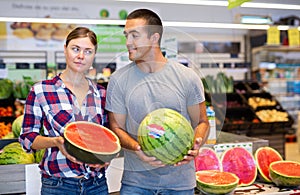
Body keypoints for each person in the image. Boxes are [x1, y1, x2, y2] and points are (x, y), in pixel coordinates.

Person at [105, 8, 209, 195]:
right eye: (126, 35)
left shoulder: (187, 77)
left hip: (180, 184)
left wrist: (196, 144)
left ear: (154, 38)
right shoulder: (118, 80)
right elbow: (116, 128)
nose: (128, 42)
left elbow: (201, 122)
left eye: (134, 36)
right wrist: (137, 148)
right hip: (135, 183)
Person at [19, 27, 110, 195]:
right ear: (65, 49)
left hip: (97, 185)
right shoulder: (41, 91)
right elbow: (27, 138)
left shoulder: (101, 93)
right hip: (58, 185)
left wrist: (106, 159)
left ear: (94, 56)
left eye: (88, 51)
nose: (81, 56)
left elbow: (105, 137)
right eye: (75, 49)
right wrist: (55, 142)